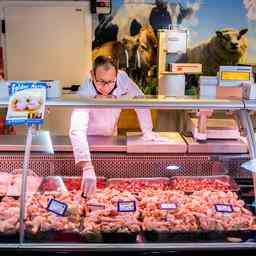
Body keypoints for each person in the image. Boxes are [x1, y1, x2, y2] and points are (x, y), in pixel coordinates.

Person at [69, 56, 162, 197]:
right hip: (88, 141)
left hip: (111, 137)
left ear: (117, 75)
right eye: (101, 82)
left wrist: (147, 131)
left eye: (110, 82)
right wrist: (87, 167)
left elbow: (140, 100)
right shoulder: (85, 91)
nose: (106, 87)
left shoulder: (122, 78)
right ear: (92, 74)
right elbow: (77, 129)